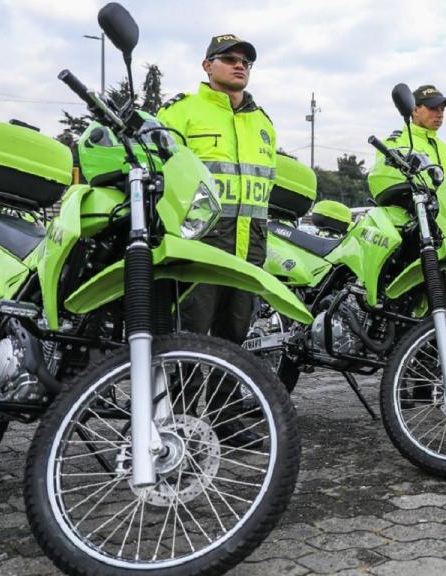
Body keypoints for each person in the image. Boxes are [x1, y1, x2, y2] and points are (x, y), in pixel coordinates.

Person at [157, 33, 275, 447]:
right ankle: (185, 425)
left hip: (249, 248)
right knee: (189, 338)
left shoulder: (263, 123)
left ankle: (226, 421)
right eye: (229, 59)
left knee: (235, 338)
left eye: (245, 60)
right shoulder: (181, 113)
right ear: (207, 66)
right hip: (200, 246)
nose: (239, 65)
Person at [384, 84, 446, 176]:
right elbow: (385, 179)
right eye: (433, 108)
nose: (440, 114)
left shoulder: (445, 149)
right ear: (415, 110)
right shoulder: (396, 143)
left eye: (442, 109)